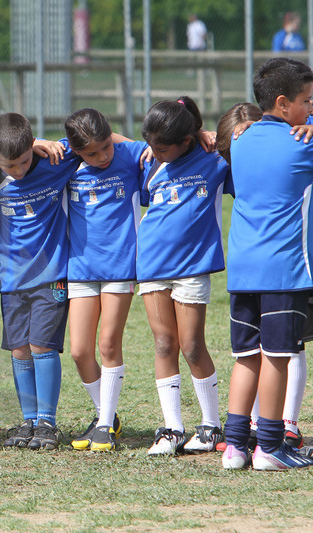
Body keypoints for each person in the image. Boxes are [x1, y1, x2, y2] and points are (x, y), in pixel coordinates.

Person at [223, 58, 313, 470]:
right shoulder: (304, 143)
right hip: (285, 268)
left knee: (246, 357)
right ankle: (272, 447)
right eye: (308, 101)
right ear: (282, 103)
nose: (311, 109)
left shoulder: (240, 139)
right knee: (277, 356)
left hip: (242, 269)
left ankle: (236, 446)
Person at [138, 96, 229, 456]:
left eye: (161, 147)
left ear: (187, 141)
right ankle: (172, 428)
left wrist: (211, 134)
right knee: (164, 344)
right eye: (150, 144)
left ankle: (210, 425)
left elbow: (245, 130)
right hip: (151, 265)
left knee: (191, 346)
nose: (154, 151)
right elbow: (104, 140)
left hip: (191, 267)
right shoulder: (149, 161)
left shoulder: (213, 158)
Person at [0, 113, 78, 451]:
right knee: (20, 349)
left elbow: (95, 137)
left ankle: (47, 422)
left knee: (42, 346)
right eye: (10, 165)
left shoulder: (54, 159)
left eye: (24, 160)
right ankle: (28, 421)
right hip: (11, 279)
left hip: (51, 275)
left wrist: (40, 142)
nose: (19, 170)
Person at [62, 109, 147, 452]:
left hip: (121, 266)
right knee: (80, 351)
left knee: (108, 344)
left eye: (104, 148)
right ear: (75, 149)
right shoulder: (64, 159)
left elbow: (168, 144)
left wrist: (201, 135)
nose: (100, 158)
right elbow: (31, 148)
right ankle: (105, 416)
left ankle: (105, 426)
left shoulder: (130, 155)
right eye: (91, 153)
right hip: (80, 267)